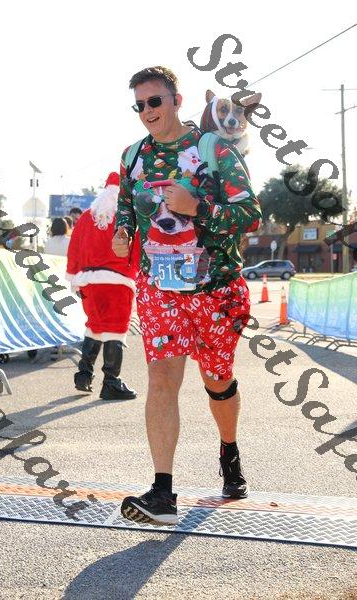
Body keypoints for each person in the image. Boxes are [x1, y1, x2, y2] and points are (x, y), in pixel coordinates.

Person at [113, 66, 262, 525]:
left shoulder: (213, 149)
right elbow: (127, 208)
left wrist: (196, 207)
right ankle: (162, 493)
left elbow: (250, 214)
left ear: (176, 101)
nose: (147, 111)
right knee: (161, 378)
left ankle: (229, 452)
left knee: (217, 378)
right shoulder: (133, 156)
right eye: (139, 105)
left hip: (214, 288)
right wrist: (123, 233)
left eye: (154, 101)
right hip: (159, 288)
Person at [66, 172, 140, 400]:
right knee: (115, 330)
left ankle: (83, 375)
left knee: (95, 327)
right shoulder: (126, 219)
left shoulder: (85, 218)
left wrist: (73, 277)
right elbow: (136, 248)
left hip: (88, 282)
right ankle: (111, 382)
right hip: (118, 282)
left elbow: (74, 249)